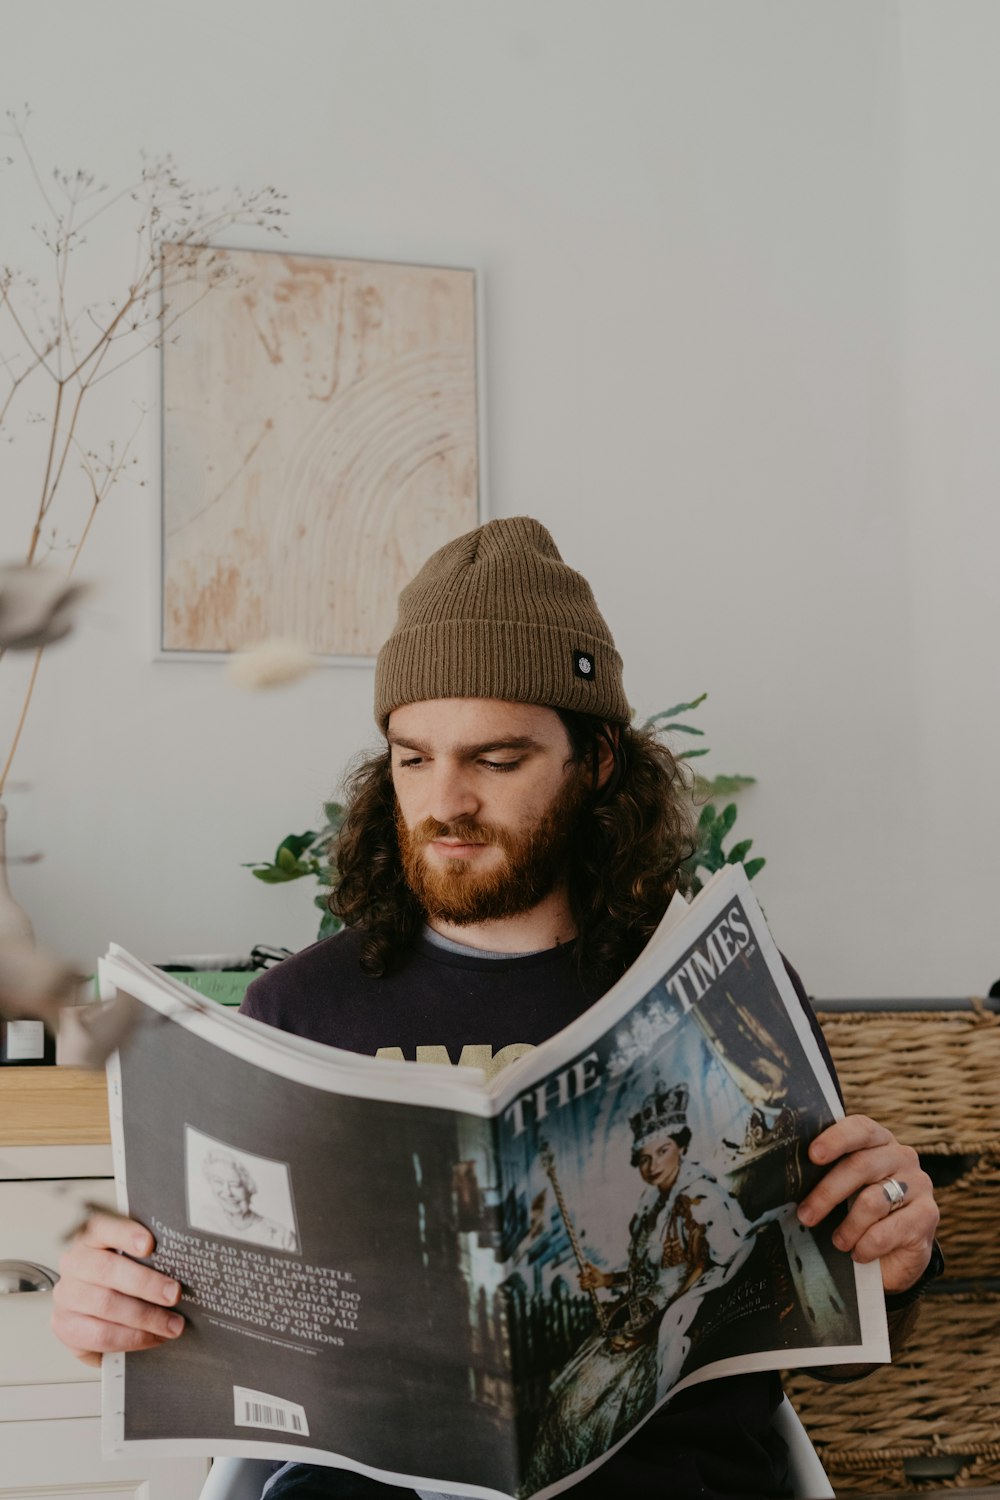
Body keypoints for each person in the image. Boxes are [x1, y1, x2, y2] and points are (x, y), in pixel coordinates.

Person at [52, 517, 941, 1499]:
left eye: (498, 760)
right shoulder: (299, 1006)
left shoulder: (720, 999)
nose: (446, 800)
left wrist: (889, 1256)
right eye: (413, 757)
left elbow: (833, 1341)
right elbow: (216, 1323)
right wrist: (117, 1314)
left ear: (596, 761)